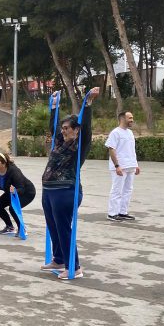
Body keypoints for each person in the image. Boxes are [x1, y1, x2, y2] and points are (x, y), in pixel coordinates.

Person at [40, 88, 99, 280]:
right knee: (53, 226)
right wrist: (54, 106)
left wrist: (87, 104)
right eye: (63, 128)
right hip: (49, 191)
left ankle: (74, 267)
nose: (64, 131)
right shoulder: (59, 142)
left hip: (65, 191)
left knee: (64, 228)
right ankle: (59, 259)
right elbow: (53, 127)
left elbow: (87, 130)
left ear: (76, 130)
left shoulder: (78, 146)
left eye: (68, 128)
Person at [0, 152, 36, 236]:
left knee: (13, 208)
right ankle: (10, 227)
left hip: (26, 192)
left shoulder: (14, 171)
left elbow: (21, 188)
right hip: (12, 192)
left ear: (4, 164)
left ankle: (22, 229)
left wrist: (15, 191)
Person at [105, 112, 140, 222]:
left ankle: (122, 212)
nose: (132, 120)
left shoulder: (130, 133)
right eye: (130, 118)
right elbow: (111, 149)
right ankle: (112, 213)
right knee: (117, 190)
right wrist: (117, 166)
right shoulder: (115, 133)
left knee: (128, 190)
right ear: (122, 119)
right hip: (120, 167)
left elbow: (131, 150)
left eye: (132, 118)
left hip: (130, 166)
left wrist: (136, 165)